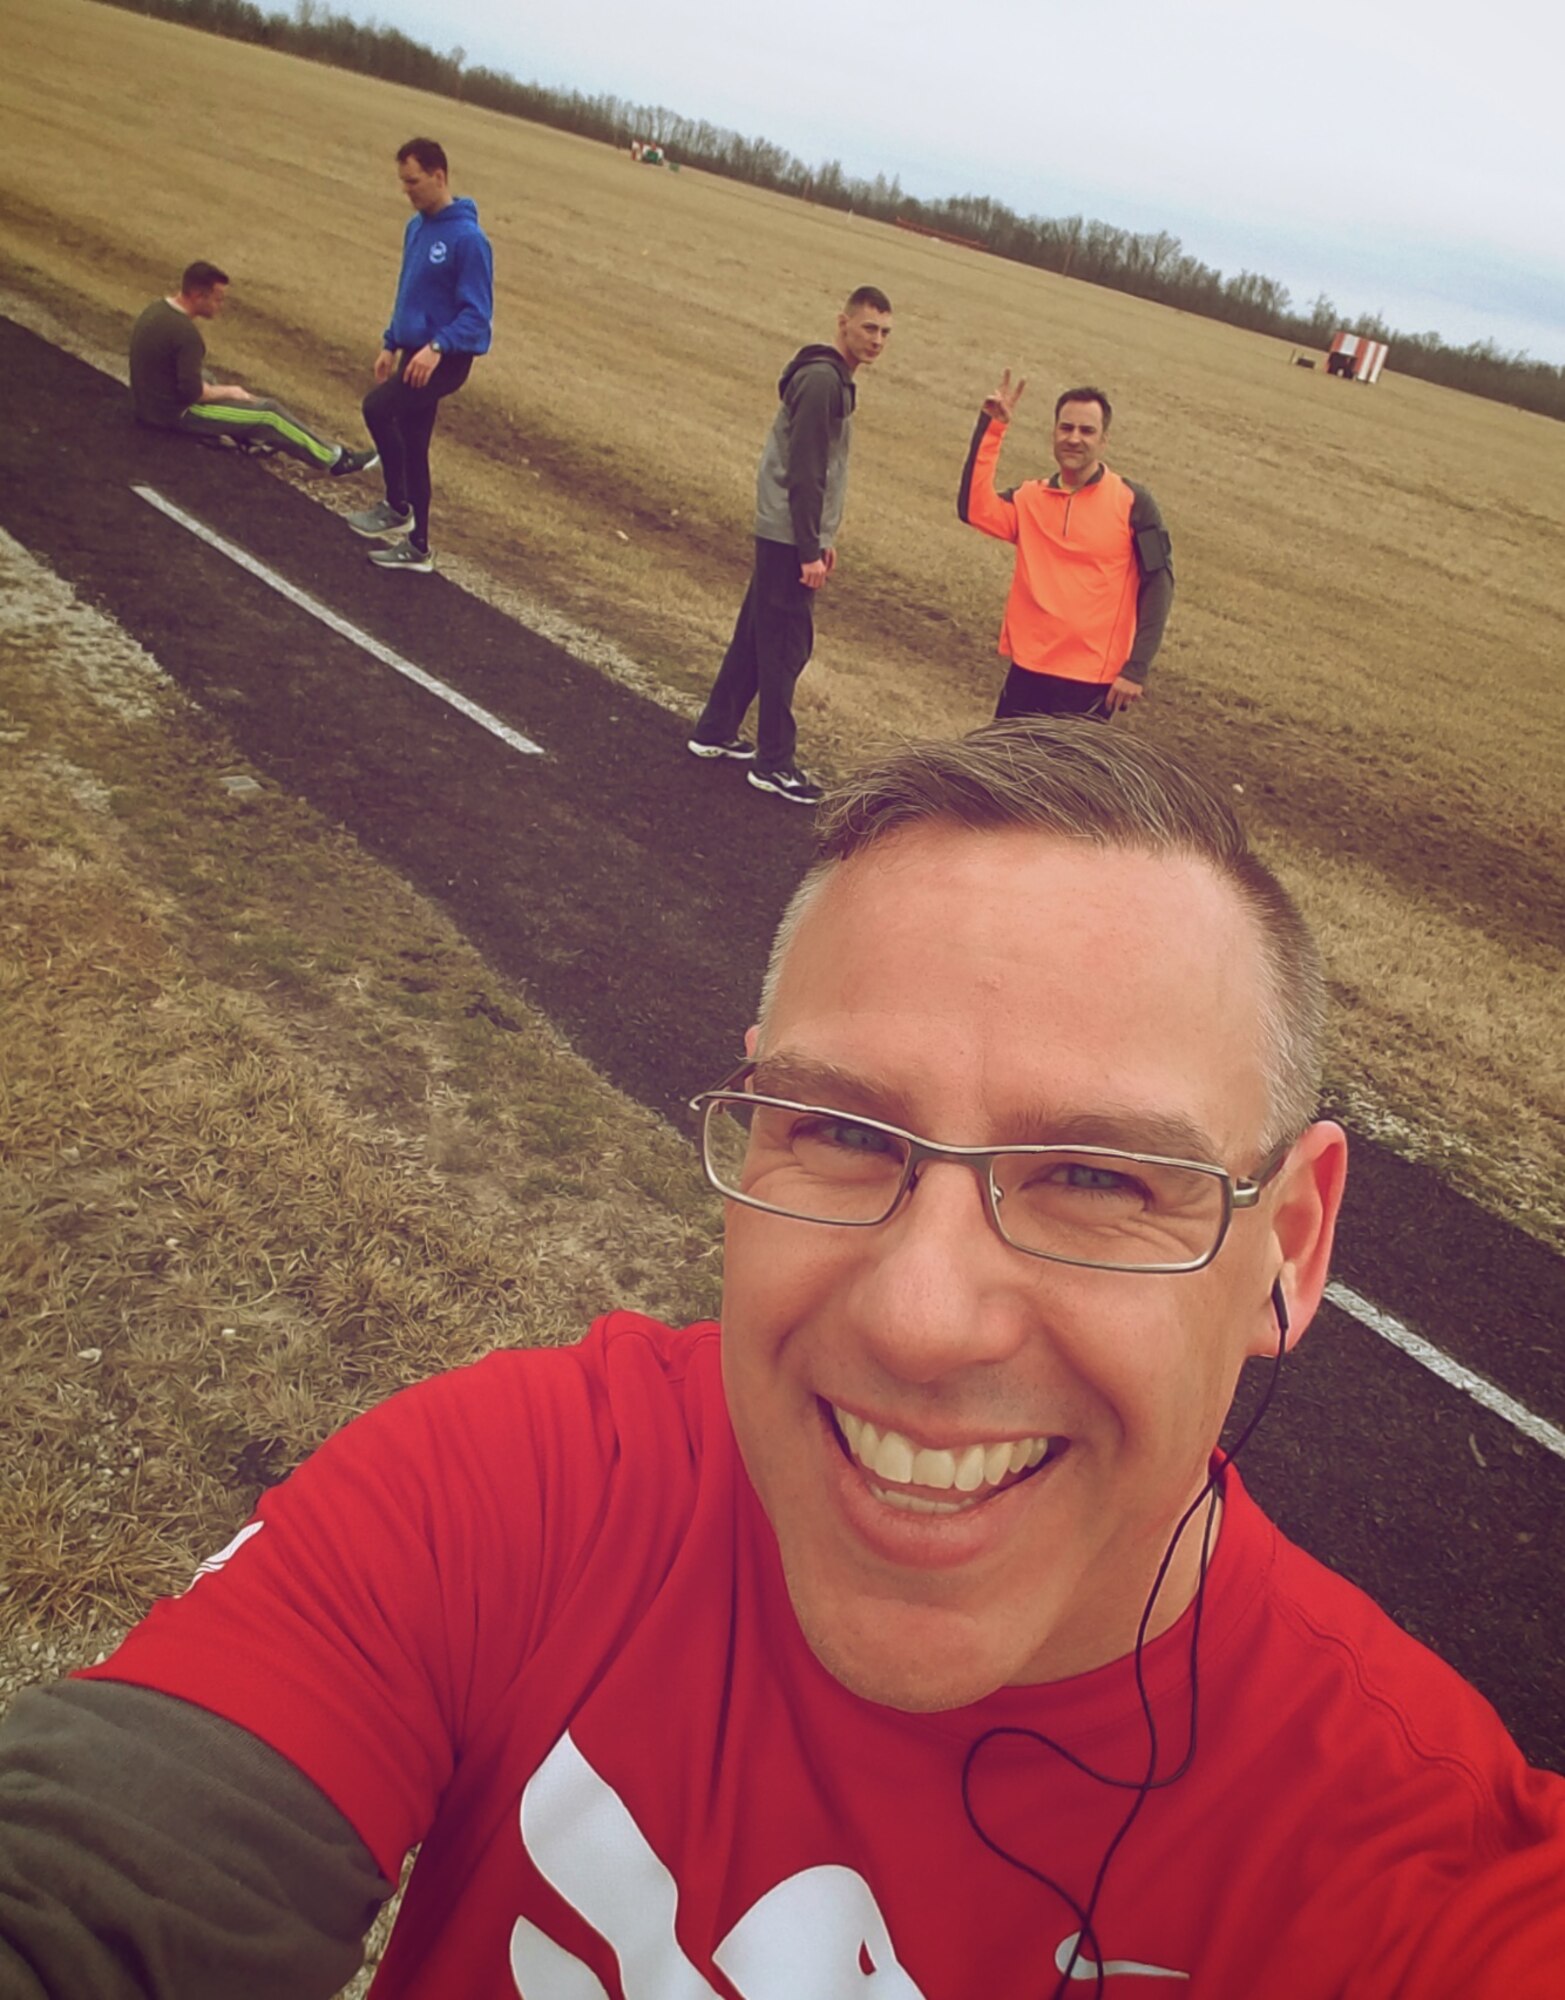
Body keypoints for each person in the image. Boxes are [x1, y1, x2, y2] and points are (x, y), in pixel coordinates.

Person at [3, 723, 1563, 1999]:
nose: (918, 1317)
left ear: (1289, 1244)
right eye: (836, 1131)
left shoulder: (1414, 1878)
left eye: (1098, 1177)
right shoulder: (541, 1485)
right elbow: (100, 1882)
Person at [687, 286, 893, 807]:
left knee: (758, 634)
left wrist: (822, 538)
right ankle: (774, 763)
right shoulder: (825, 382)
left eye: (886, 332)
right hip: (787, 537)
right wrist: (809, 548)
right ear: (842, 323)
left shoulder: (829, 379)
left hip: (790, 532)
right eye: (869, 327)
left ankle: (714, 730)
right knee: (785, 647)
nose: (877, 340)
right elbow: (806, 471)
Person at [959, 373, 1174, 719]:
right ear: (1054, 433)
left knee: (1063, 775)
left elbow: (1159, 585)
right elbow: (973, 509)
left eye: (1087, 431)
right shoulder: (1029, 499)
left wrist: (1136, 668)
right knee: (1002, 772)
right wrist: (992, 429)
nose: (1074, 439)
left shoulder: (1134, 503)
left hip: (1090, 684)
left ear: (1104, 440)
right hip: (1027, 671)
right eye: (1066, 428)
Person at [347, 138, 494, 576]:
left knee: (377, 408)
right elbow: (409, 291)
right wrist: (391, 342)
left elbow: (477, 316)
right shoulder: (416, 228)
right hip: (413, 351)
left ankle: (397, 504)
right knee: (414, 443)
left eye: (413, 182)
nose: (406, 191)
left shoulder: (469, 241)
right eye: (402, 182)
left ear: (439, 176)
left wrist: (436, 347)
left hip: (444, 359)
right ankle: (419, 547)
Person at [127, 261, 379, 476]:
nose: (220, 306)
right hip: (171, 414)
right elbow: (192, 394)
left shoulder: (156, 310)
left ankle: (248, 439)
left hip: (147, 402)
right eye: (217, 299)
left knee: (208, 378)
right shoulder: (186, 335)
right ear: (198, 295)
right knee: (268, 414)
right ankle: (334, 459)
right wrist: (231, 392)